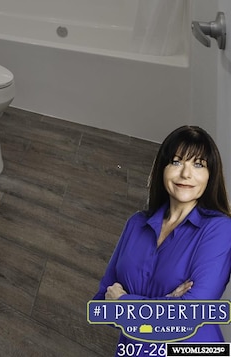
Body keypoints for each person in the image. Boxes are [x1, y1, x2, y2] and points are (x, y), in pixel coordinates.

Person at [94, 125, 231, 351]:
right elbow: (101, 304)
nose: (186, 174)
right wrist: (168, 304)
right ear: (162, 169)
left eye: (198, 164)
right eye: (176, 162)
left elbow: (189, 316)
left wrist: (123, 302)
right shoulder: (136, 224)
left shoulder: (220, 230)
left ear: (211, 175)